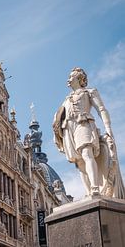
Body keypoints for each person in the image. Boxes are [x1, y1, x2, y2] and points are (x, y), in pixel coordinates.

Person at [53, 67, 125, 198]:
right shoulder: (66, 100)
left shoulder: (89, 92)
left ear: (80, 79)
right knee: (79, 162)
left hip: (84, 123)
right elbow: (58, 118)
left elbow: (102, 109)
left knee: (87, 153)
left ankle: (95, 188)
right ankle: (88, 193)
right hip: (69, 128)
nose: (68, 79)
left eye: (71, 76)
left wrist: (108, 128)